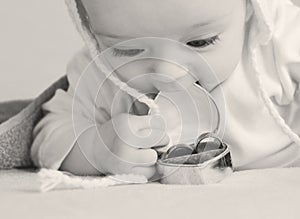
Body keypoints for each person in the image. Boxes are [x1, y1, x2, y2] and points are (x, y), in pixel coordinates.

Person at [31, 0, 300, 179]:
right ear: (89, 29)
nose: (167, 73)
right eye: (129, 50)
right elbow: (50, 132)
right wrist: (97, 150)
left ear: (251, 7)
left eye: (200, 42)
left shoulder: (275, 40)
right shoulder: (100, 71)